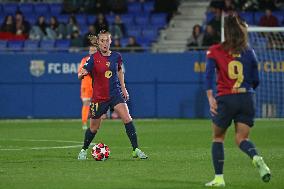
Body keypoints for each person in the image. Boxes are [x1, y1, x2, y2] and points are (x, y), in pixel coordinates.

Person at [204, 15, 271, 187]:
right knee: (242, 138)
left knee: (218, 138)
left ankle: (219, 178)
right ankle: (257, 158)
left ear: (225, 32)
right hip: (246, 98)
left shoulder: (215, 50)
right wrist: (245, 94)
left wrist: (211, 97)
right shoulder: (249, 51)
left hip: (226, 99)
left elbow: (209, 75)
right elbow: (256, 80)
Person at [77, 30, 148, 160]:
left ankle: (136, 149)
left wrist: (123, 88)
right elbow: (82, 72)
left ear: (111, 41)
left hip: (115, 94)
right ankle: (83, 150)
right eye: (102, 41)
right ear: (98, 42)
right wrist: (82, 74)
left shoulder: (116, 56)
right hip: (99, 97)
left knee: (127, 119)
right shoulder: (93, 59)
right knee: (94, 128)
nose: (105, 43)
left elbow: (120, 71)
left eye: (107, 40)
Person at [77, 34, 97, 130]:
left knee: (97, 104)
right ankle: (84, 122)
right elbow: (82, 71)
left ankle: (95, 122)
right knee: (86, 103)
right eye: (91, 50)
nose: (92, 52)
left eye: (94, 51)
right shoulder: (84, 60)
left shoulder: (100, 60)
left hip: (97, 86)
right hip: (86, 85)